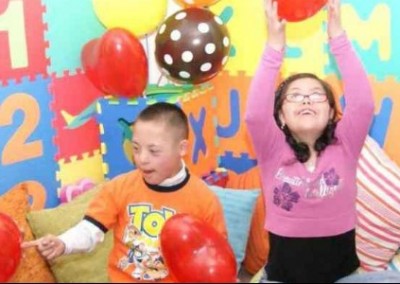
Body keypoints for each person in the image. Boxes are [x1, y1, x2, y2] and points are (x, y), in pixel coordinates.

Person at [245, 0, 376, 282]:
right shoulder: (272, 148)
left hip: (343, 274)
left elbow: (363, 104)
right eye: (295, 95)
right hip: (283, 274)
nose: (306, 98)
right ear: (280, 116)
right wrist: (274, 47)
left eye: (317, 94)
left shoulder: (345, 143)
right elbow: (255, 114)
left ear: (331, 112)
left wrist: (338, 35)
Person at [22, 102, 227, 282]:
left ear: (182, 148)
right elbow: (90, 230)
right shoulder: (120, 187)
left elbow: (215, 260)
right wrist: (63, 243)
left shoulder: (204, 200)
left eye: (153, 151)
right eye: (136, 148)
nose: (141, 159)